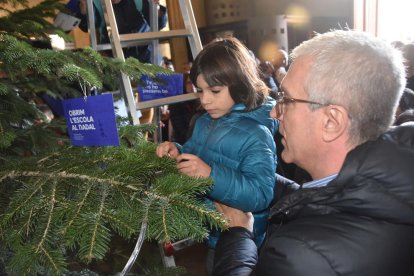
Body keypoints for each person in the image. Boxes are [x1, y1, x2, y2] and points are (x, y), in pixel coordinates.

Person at [213, 30, 414, 276]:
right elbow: (328, 196)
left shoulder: (302, 257)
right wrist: (255, 178)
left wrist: (237, 234)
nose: (274, 113)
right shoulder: (395, 182)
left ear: (331, 122)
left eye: (285, 99)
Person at [155, 37, 278, 274]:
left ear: (240, 84)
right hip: (213, 232)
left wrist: (210, 176)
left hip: (245, 241)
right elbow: (194, 155)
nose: (205, 100)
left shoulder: (257, 134)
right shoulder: (204, 122)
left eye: (215, 91)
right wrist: (177, 152)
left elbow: (261, 195)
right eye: (199, 91)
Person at [66, 0, 167, 63]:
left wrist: (158, 12)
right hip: (113, 55)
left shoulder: (139, 1)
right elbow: (83, 26)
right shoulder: (94, 2)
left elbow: (159, 24)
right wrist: (83, 11)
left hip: (145, 52)